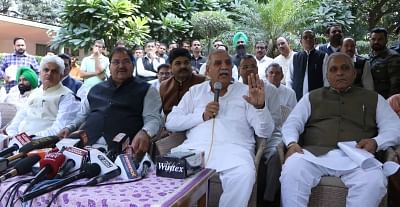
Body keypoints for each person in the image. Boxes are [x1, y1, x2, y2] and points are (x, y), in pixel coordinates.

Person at [280, 53, 400, 207]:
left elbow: (394, 127)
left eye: (345, 68)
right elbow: (292, 123)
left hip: (358, 158)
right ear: (327, 75)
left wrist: (376, 142)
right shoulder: (311, 97)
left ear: (354, 73)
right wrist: (291, 143)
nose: (339, 73)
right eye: (334, 69)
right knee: (293, 168)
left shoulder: (374, 98)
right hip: (314, 156)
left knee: (374, 180)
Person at [165, 49, 274, 207]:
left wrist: (260, 107)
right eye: (218, 63)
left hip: (235, 151)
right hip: (195, 149)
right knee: (167, 170)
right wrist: (201, 116)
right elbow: (171, 122)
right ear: (208, 70)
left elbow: (265, 132)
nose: (224, 67)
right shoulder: (195, 92)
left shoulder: (246, 93)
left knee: (245, 174)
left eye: (228, 63)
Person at [59, 47, 161, 155]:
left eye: (126, 61)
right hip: (86, 147)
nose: (121, 66)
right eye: (116, 62)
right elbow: (82, 115)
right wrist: (69, 128)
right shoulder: (95, 89)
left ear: (133, 65)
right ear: (110, 67)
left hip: (124, 152)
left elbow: (153, 119)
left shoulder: (147, 90)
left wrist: (145, 132)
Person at [238, 56, 282, 203]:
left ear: (257, 70)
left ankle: (267, 200)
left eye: (252, 66)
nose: (249, 69)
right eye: (245, 67)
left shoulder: (270, 90)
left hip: (268, 136)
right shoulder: (234, 90)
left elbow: (276, 119)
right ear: (239, 71)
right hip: (244, 136)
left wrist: (260, 111)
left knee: (277, 155)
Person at [3, 55, 79, 137]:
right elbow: (20, 116)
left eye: (54, 71)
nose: (49, 73)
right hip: (18, 140)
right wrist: (12, 134)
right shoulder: (36, 92)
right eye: (46, 70)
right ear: (40, 73)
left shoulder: (67, 97)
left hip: (42, 144)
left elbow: (59, 129)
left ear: (61, 76)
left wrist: (30, 138)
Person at [159, 48, 205, 116]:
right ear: (171, 67)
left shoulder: (202, 82)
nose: (183, 66)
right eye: (178, 63)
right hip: (170, 124)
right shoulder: (164, 86)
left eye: (186, 62)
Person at [286, 30, 328, 101]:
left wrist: (324, 96)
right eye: (305, 37)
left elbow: (326, 79)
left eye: (311, 37)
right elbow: (289, 79)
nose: (308, 39)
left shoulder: (323, 56)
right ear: (301, 41)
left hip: (317, 98)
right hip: (297, 99)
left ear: (315, 40)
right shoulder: (294, 57)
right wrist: (291, 96)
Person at [369, 27, 400, 98]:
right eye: (373, 39)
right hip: (373, 98)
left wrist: (389, 104)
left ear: (386, 40)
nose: (376, 42)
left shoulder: (393, 57)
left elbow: (396, 85)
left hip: (386, 99)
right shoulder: (370, 56)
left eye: (380, 39)